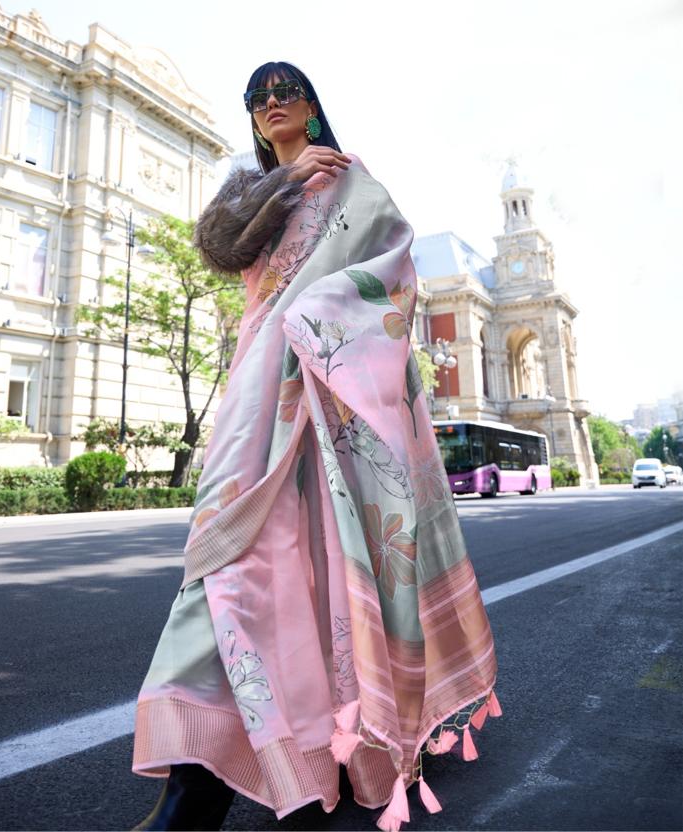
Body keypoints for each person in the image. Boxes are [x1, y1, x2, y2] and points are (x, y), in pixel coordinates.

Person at [131, 62, 500, 832]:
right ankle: (206, 781)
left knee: (330, 564)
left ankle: (314, 752)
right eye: (258, 98)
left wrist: (320, 323)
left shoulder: (354, 184)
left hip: (328, 386)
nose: (272, 105)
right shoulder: (249, 183)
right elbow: (222, 247)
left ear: (311, 104)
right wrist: (286, 178)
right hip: (256, 391)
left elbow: (394, 272)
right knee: (225, 562)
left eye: (285, 91)